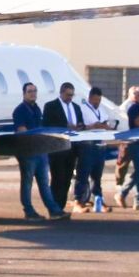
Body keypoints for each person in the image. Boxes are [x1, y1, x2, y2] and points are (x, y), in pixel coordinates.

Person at [12, 82, 66, 221]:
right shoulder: (20, 110)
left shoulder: (37, 109)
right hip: (28, 151)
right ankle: (29, 211)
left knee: (44, 182)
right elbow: (21, 130)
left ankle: (54, 210)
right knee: (27, 182)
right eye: (30, 91)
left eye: (34, 91)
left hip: (40, 150)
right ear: (24, 93)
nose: (33, 93)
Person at [42, 82, 85, 212]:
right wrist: (65, 126)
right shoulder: (51, 106)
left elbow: (80, 123)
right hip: (57, 148)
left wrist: (79, 126)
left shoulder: (76, 107)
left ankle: (60, 205)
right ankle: (54, 207)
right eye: (67, 95)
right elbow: (47, 124)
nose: (70, 97)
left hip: (72, 148)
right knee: (57, 178)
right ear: (61, 93)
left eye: (72, 95)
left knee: (67, 178)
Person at [73, 87, 117, 209]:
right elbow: (80, 126)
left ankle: (98, 199)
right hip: (87, 145)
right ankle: (78, 200)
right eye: (95, 99)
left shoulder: (101, 110)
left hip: (100, 145)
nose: (97, 102)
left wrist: (105, 127)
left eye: (98, 99)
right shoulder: (82, 109)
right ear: (90, 98)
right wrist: (93, 126)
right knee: (83, 174)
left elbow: (106, 124)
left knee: (97, 176)